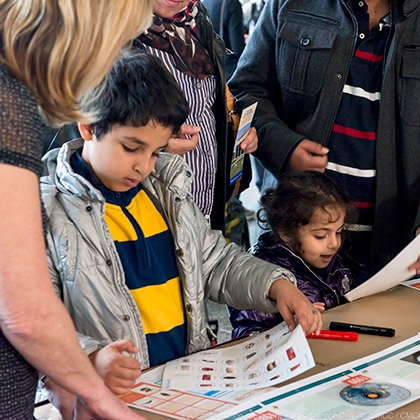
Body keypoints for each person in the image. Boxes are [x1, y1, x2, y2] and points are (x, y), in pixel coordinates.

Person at [40, 50, 321, 414]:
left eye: (156, 152)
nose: (142, 166)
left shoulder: (166, 193)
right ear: (89, 126)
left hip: (181, 388)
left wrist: (277, 285)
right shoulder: (48, 213)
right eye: (131, 148)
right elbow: (37, 320)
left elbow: (215, 261)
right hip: (107, 402)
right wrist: (91, 359)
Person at [229, 0, 420, 283]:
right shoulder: (290, 4)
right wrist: (284, 149)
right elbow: (246, 91)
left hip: (395, 264)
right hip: (292, 253)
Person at [0, 1, 152, 418]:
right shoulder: (8, 104)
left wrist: (66, 376)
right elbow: (25, 312)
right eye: (118, 43)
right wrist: (102, 400)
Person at [137, 0, 257, 234]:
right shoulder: (111, 37)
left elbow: (209, 109)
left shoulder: (195, 23)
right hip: (153, 216)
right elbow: (85, 135)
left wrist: (235, 133)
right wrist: (153, 144)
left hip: (207, 207)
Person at [230, 171, 357, 339]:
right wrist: (288, 326)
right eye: (320, 235)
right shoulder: (259, 272)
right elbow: (247, 336)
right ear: (287, 232)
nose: (334, 244)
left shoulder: (333, 262)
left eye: (339, 232)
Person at [203, 0, 246, 79]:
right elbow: (238, 48)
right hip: (230, 71)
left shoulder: (204, 3)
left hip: (210, 69)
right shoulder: (232, 3)